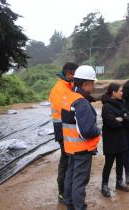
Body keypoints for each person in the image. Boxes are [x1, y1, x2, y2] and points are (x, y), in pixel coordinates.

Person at [62, 65, 101, 210]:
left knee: (70, 177)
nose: (94, 86)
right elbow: (87, 131)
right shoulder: (81, 102)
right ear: (85, 84)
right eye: (92, 83)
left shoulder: (69, 96)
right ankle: (79, 207)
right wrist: (98, 130)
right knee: (79, 181)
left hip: (70, 147)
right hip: (81, 149)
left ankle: (70, 205)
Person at [49, 62, 78, 203]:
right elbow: (66, 110)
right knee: (66, 160)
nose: (76, 78)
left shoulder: (68, 86)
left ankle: (68, 188)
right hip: (62, 129)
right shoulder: (58, 90)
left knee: (70, 159)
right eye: (75, 75)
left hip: (68, 128)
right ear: (69, 74)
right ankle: (62, 191)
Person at [101, 83, 129, 197]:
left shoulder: (121, 103)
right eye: (120, 91)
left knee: (120, 162)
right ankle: (104, 185)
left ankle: (119, 182)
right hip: (110, 140)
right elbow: (111, 123)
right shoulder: (106, 106)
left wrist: (120, 118)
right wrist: (119, 119)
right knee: (108, 163)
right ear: (113, 92)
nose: (122, 93)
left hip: (121, 138)